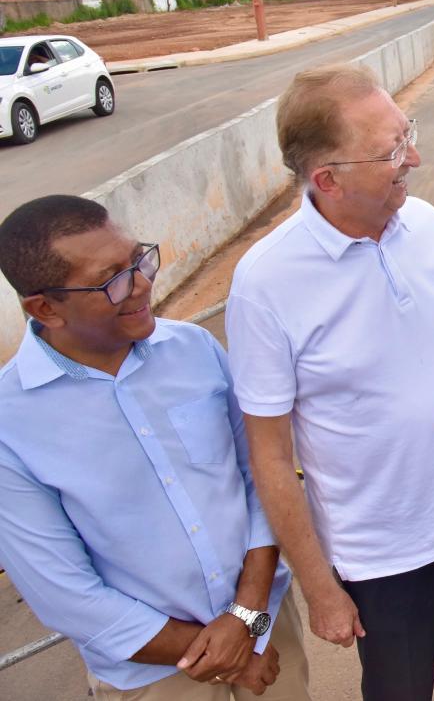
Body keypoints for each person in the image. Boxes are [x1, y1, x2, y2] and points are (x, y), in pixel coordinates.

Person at [226, 64, 434, 701]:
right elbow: (269, 456)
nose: (414, 157)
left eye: (407, 133)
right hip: (381, 556)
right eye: (391, 151)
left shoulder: (427, 224)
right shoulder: (266, 282)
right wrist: (319, 588)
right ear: (327, 179)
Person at [0, 195, 308, 700]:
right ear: (45, 308)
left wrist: (246, 621)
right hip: (154, 675)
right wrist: (231, 654)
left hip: (264, 625)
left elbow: (259, 477)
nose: (142, 283)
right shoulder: (10, 425)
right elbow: (63, 592)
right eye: (112, 279)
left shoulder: (194, 349)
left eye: (138, 260)